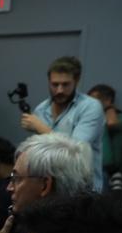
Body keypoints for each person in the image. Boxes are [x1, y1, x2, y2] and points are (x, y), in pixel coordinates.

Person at [19, 56, 104, 192]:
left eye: (65, 84)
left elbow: (75, 149)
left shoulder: (91, 107)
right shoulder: (41, 109)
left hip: (83, 189)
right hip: (49, 188)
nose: (59, 90)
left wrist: (41, 128)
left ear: (76, 81)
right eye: (55, 84)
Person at [87, 84, 122, 192]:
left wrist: (109, 108)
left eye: (94, 100)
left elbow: (111, 123)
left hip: (108, 169)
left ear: (107, 100)